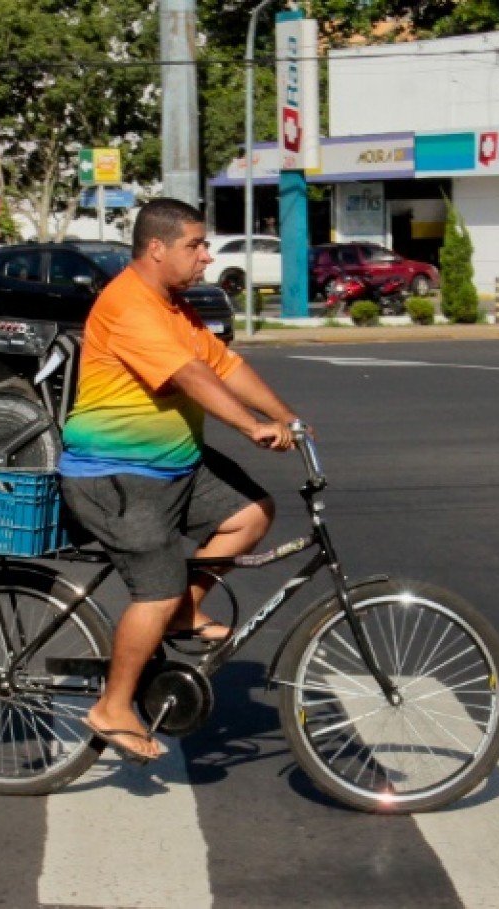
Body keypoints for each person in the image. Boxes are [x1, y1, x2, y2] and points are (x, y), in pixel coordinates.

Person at [61, 198, 302, 765]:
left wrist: (284, 415)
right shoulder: (128, 306)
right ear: (156, 248)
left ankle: (180, 612)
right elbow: (190, 376)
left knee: (250, 513)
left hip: (174, 466)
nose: (206, 255)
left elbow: (222, 364)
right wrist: (250, 428)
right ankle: (113, 706)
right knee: (158, 584)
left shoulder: (174, 307)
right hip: (116, 475)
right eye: (195, 244)